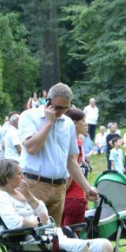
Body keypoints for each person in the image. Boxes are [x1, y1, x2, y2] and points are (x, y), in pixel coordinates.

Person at [16, 84, 98, 226]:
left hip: (60, 188)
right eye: (58, 107)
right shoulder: (29, 116)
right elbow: (31, 148)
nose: (61, 112)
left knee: (54, 237)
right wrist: (48, 123)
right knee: (32, 234)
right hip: (34, 184)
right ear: (48, 101)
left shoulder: (68, 124)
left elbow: (71, 160)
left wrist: (86, 187)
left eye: (66, 108)